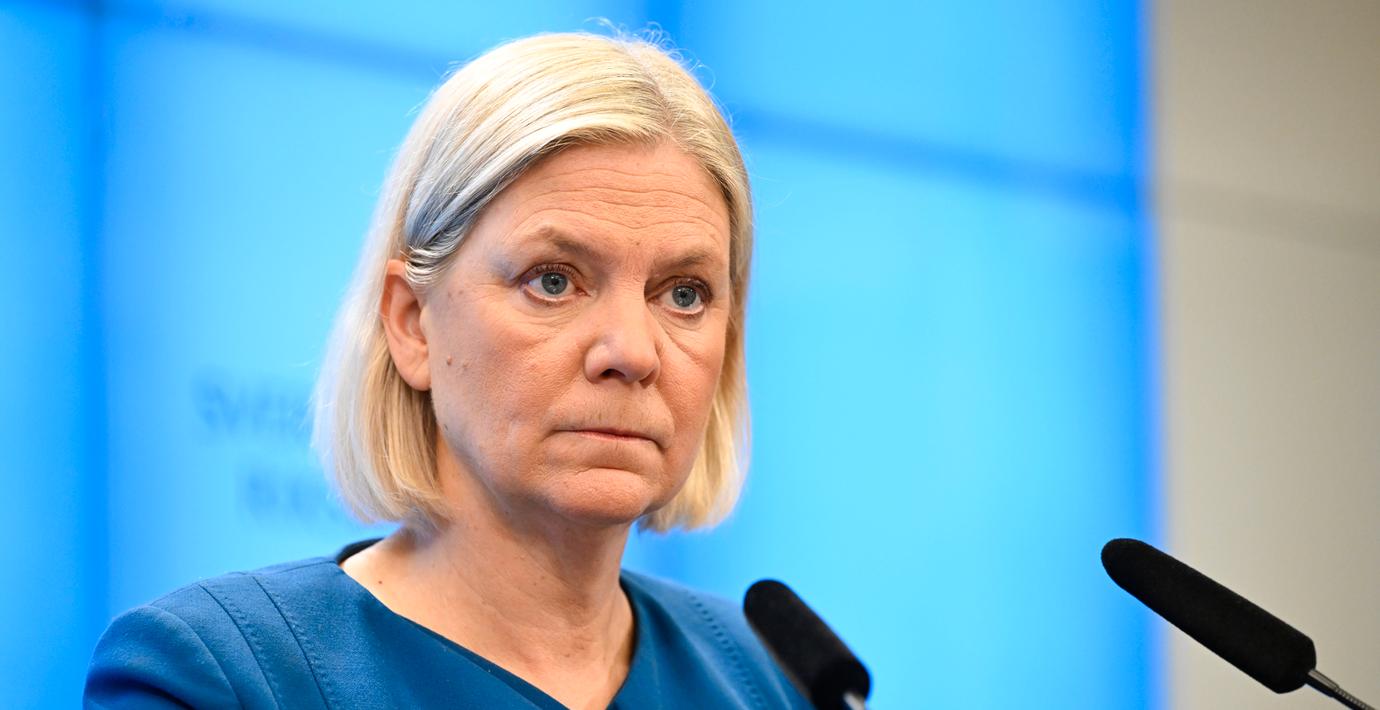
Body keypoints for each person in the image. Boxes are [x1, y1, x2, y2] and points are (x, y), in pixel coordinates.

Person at [84, 31, 810, 709]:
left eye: (684, 294)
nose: (633, 352)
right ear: (411, 322)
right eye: (553, 280)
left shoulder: (772, 682)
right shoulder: (221, 675)